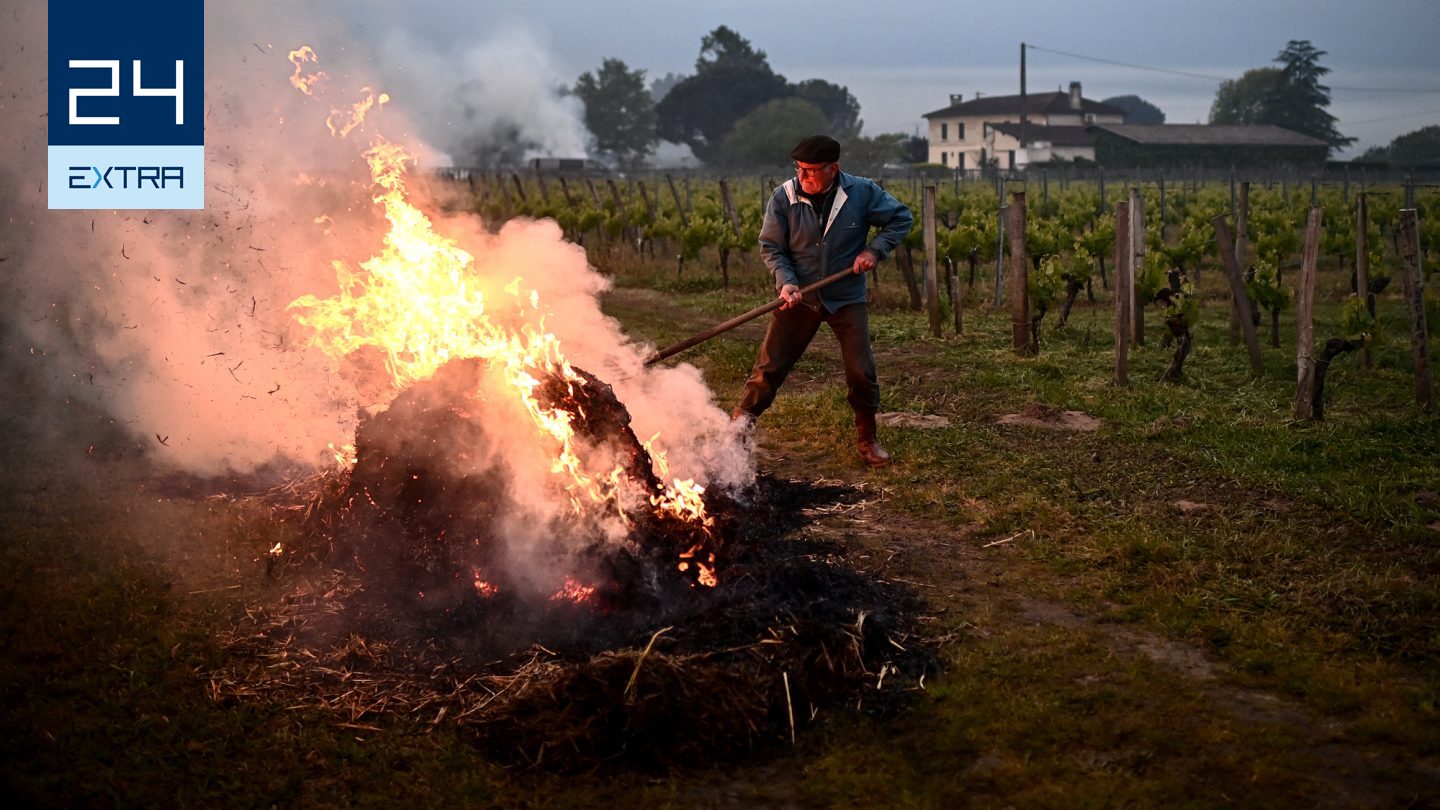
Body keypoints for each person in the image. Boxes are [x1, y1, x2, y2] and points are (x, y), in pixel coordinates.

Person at [733, 135, 913, 467]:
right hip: (798, 297)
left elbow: (901, 218)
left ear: (834, 169)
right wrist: (786, 283)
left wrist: (875, 250)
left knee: (861, 369)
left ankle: (868, 439)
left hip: (845, 296)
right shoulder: (784, 197)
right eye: (799, 169)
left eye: (812, 171)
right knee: (770, 366)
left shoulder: (861, 193)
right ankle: (738, 430)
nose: (803, 178)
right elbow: (772, 247)